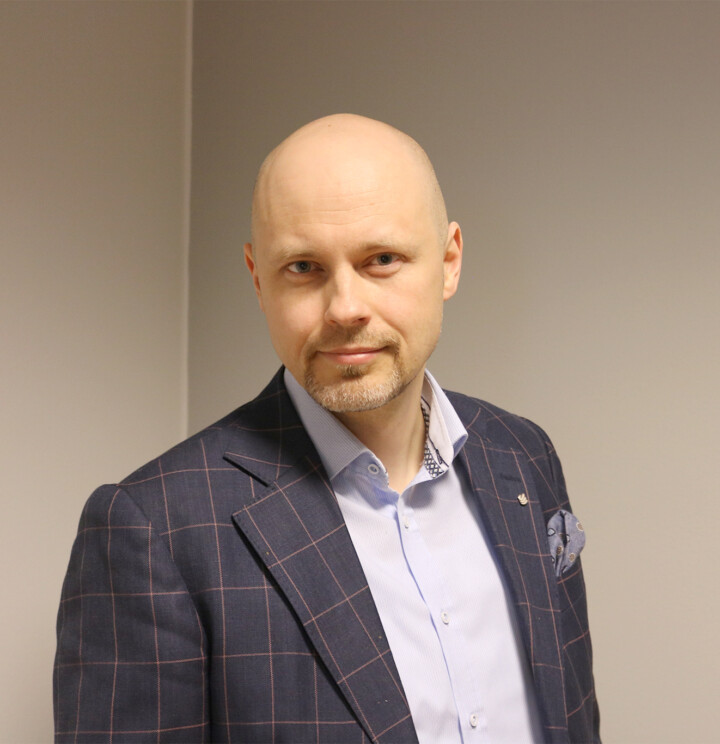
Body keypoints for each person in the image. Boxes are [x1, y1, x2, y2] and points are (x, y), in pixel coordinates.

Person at [54, 114, 599, 743]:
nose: (345, 309)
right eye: (303, 267)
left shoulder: (524, 455)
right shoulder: (155, 529)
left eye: (382, 259)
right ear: (258, 278)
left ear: (449, 261)